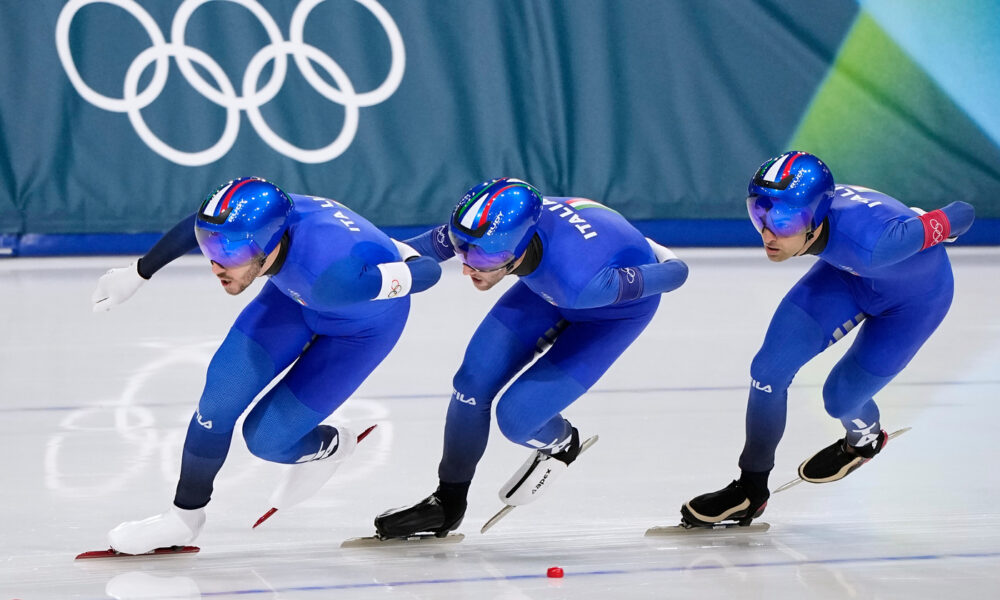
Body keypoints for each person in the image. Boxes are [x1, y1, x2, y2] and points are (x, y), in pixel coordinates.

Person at [91, 176, 441, 554]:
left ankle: (334, 445)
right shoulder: (256, 222)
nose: (217, 266)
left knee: (267, 440)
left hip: (358, 332)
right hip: (292, 299)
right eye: (213, 250)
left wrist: (402, 257)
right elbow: (209, 226)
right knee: (218, 402)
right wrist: (139, 271)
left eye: (233, 255)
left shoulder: (331, 275)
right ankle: (183, 519)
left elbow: (430, 273)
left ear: (271, 243)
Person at [373, 177, 689, 538]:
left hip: (608, 311)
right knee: (471, 383)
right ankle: (447, 503)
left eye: (484, 258)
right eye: (464, 250)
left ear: (519, 248)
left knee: (517, 418)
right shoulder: (491, 225)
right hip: (547, 286)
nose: (467, 267)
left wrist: (661, 254)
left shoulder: (579, 283)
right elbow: (411, 251)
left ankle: (562, 443)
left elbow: (676, 275)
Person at [681, 151, 976, 527]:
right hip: (847, 275)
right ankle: (750, 489)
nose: (769, 234)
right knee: (768, 370)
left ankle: (865, 441)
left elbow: (963, 211)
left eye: (786, 220)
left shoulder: (876, 242)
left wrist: (930, 224)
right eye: (760, 213)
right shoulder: (823, 223)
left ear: (817, 219)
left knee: (839, 399)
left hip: (915, 302)